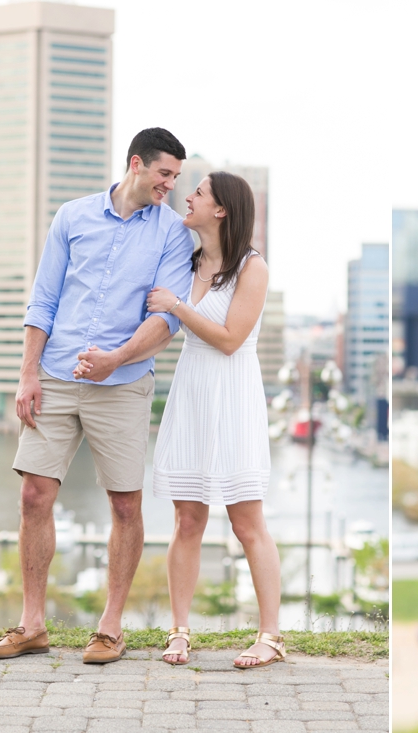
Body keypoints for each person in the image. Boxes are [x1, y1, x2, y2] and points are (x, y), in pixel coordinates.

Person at [0, 128, 194, 663]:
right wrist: (28, 373)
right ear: (137, 164)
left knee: (125, 504)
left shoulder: (172, 234)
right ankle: (32, 625)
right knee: (34, 496)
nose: (171, 185)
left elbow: (165, 318)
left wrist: (115, 359)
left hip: (121, 385)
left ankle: (111, 627)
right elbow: (44, 298)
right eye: (165, 173)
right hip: (54, 376)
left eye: (177, 177)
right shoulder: (72, 217)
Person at [139, 172, 280, 669]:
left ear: (221, 210)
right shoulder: (187, 259)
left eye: (197, 192)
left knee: (247, 522)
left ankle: (270, 636)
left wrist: (176, 304)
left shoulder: (252, 267)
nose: (188, 197)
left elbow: (228, 339)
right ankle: (179, 631)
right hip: (192, 391)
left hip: (235, 395)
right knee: (188, 518)